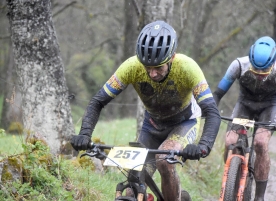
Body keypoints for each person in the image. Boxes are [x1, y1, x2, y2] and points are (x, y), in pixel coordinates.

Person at [71, 20, 221, 201]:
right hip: (152, 125)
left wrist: (203, 146)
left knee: (164, 161)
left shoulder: (188, 67)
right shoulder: (131, 67)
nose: (152, 73)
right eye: (147, 67)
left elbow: (211, 111)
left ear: (172, 57)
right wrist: (85, 134)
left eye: (158, 67)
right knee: (133, 185)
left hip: (184, 123)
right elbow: (98, 101)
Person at [213, 36, 276, 201]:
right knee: (230, 141)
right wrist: (210, 109)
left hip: (270, 106)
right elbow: (217, 94)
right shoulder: (238, 65)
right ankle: (232, 178)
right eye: (255, 70)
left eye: (264, 71)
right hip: (245, 104)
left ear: (273, 63)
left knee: (260, 142)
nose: (259, 74)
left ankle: (259, 196)